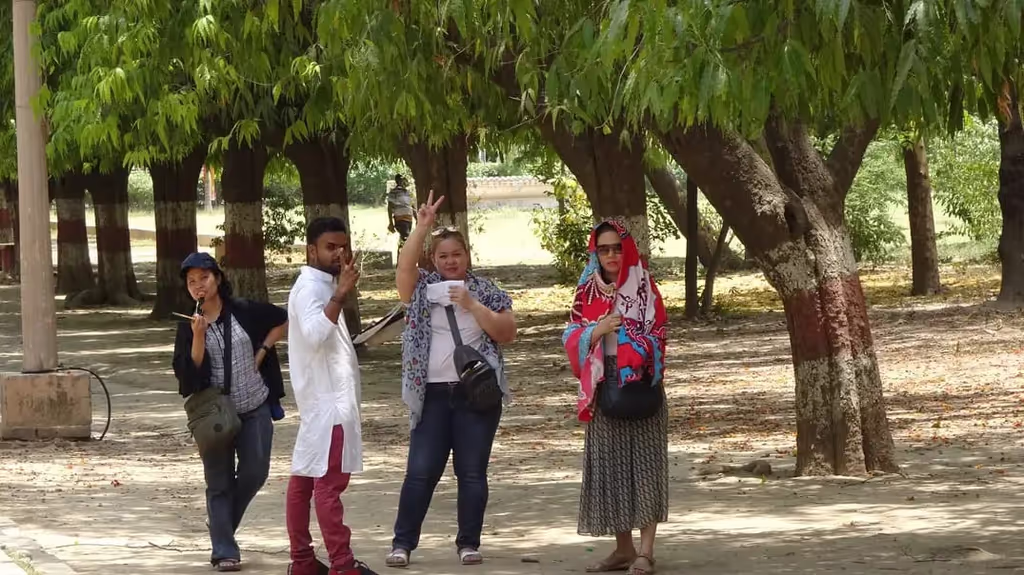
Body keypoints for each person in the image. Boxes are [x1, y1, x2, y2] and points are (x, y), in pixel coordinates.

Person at [384, 191, 517, 568]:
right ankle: (402, 544)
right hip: (433, 395)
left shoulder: (485, 289)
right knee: (421, 471)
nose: (449, 261)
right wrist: (422, 226)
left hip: (477, 395)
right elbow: (404, 272)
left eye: (455, 255)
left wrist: (471, 303)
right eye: (442, 256)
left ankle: (468, 543)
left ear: (467, 257)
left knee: (472, 472)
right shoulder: (423, 289)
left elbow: (508, 332)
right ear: (434, 259)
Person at [562, 220, 669, 575]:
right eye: (603, 249)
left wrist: (632, 350)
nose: (610, 255)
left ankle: (646, 551)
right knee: (612, 470)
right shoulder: (586, 291)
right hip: (603, 387)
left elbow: (660, 331)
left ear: (628, 249)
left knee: (646, 468)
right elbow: (571, 333)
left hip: (640, 385)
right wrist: (597, 330)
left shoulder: (645, 285)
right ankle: (623, 549)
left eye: (616, 248)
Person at [171, 252, 289, 572]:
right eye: (191, 281)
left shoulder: (244, 311)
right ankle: (224, 549)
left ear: (218, 279)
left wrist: (263, 351)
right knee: (219, 482)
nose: (199, 286)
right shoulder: (188, 324)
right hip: (215, 415)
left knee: (256, 470)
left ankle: (220, 528)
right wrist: (198, 337)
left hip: (255, 405)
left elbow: (283, 319)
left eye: (204, 278)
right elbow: (188, 377)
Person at [286, 216, 378, 575]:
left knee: (303, 483)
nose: (339, 253)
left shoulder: (321, 284)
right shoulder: (312, 288)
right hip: (329, 408)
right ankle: (342, 566)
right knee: (327, 487)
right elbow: (313, 334)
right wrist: (341, 294)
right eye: (330, 247)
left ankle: (303, 562)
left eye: (343, 246)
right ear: (311, 250)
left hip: (321, 406)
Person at [387, 174, 415, 245]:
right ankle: (404, 254)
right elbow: (390, 207)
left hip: (409, 220)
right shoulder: (394, 192)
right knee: (407, 240)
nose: (406, 181)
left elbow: (411, 206)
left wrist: (417, 218)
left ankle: (401, 254)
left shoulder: (407, 192)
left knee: (404, 240)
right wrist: (391, 223)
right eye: (404, 180)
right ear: (399, 181)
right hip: (401, 220)